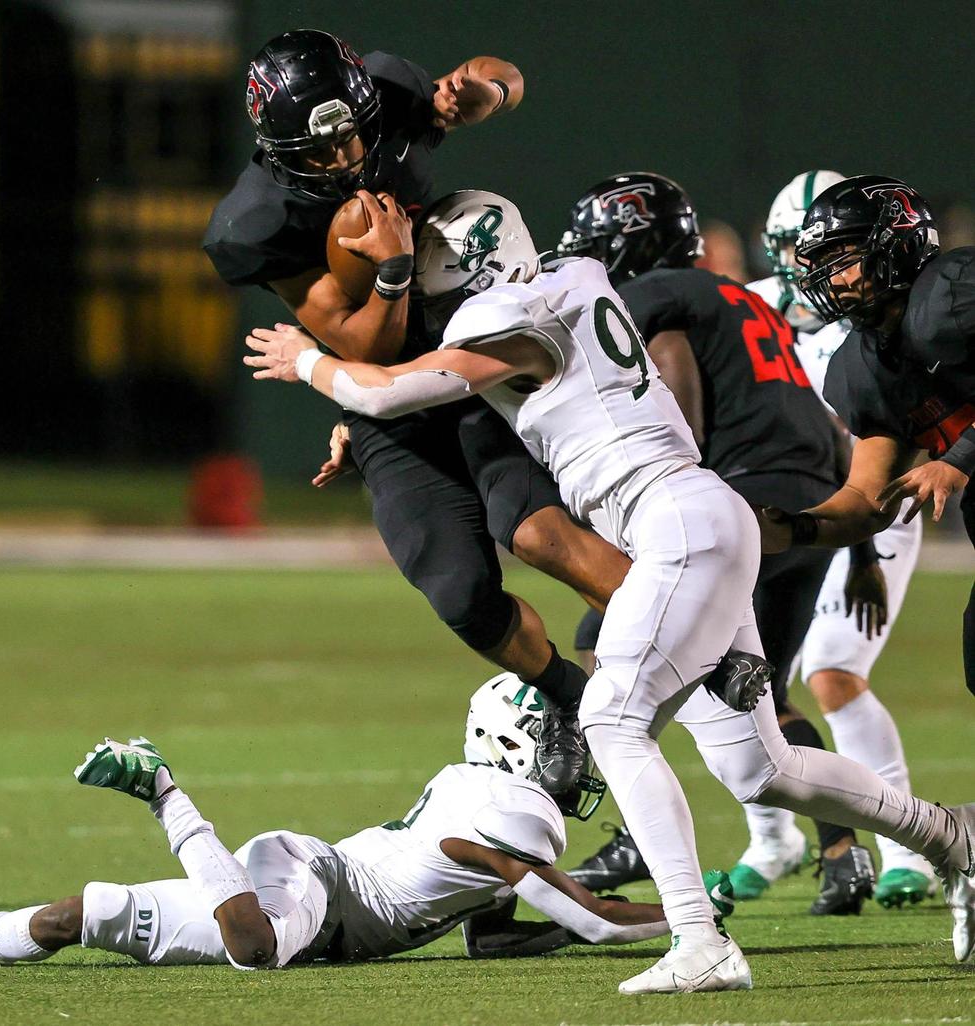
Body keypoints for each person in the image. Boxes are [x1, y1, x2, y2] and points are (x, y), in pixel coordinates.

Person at [243, 189, 975, 988]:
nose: (428, 294)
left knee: (611, 717)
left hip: (673, 520)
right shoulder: (579, 278)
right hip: (697, 517)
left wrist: (307, 360)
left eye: (433, 276)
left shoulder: (507, 315)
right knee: (764, 770)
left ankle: (701, 941)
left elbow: (390, 386)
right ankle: (954, 839)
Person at [205, 28, 633, 795]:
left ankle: (707, 655)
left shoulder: (392, 94)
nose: (343, 161)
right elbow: (366, 350)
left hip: (472, 359)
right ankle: (571, 701)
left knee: (538, 532)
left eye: (349, 139)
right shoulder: (258, 221)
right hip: (386, 385)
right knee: (462, 594)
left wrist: (488, 87)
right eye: (319, 151)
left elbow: (501, 74)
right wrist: (394, 274)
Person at [0, 674, 697, 972]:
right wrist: (690, 915)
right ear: (518, 741)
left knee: (80, 917)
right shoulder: (511, 809)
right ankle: (161, 789)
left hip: (318, 891)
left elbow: (497, 935)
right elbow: (587, 919)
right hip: (315, 885)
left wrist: (634, 905)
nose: (575, 759)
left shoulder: (490, 806)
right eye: (562, 741)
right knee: (253, 949)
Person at [557, 172, 874, 914]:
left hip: (746, 510)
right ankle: (842, 854)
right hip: (811, 512)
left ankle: (642, 837)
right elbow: (829, 431)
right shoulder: (738, 297)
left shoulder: (665, 301)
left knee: (602, 642)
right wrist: (853, 546)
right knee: (765, 692)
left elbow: (684, 430)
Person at [742, 170, 935, 910]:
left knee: (832, 670)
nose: (813, 269)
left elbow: (870, 459)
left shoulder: (877, 323)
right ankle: (771, 840)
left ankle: (907, 851)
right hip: (800, 508)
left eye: (825, 251)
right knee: (750, 675)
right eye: (795, 249)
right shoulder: (754, 306)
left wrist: (858, 552)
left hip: (880, 500)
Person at [762, 175, 975, 718]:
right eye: (821, 262)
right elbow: (865, 498)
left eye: (844, 257)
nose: (828, 277)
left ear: (897, 242)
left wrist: (958, 459)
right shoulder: (862, 368)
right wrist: (791, 528)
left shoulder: (953, 291)